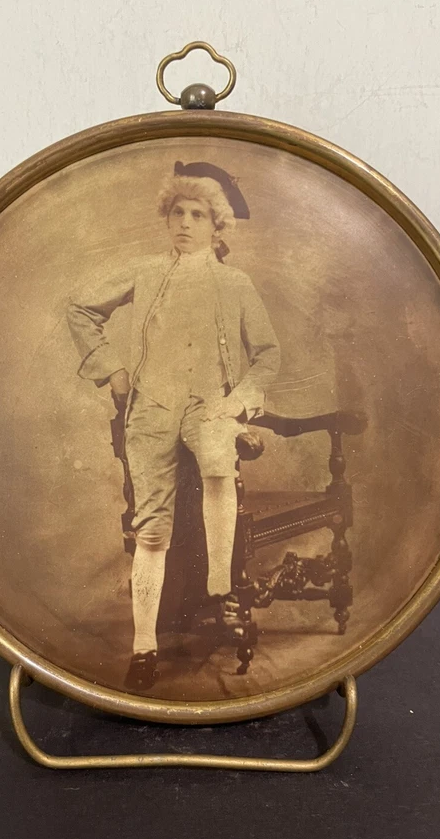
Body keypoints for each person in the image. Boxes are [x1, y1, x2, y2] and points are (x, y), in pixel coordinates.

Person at [67, 161, 280, 689]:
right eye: (177, 213)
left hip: (209, 404)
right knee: (153, 528)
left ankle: (221, 585)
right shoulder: (144, 273)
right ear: (167, 220)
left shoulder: (234, 283)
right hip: (152, 410)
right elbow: (80, 307)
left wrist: (241, 402)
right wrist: (112, 369)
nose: (185, 223)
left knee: (216, 458)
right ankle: (143, 646)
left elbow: (267, 354)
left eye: (198, 214)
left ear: (217, 225)